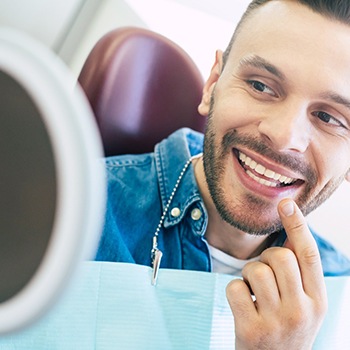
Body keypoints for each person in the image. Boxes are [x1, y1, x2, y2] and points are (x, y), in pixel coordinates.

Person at [95, 0, 350, 348]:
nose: (283, 135)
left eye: (329, 118)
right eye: (261, 86)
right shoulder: (71, 208)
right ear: (213, 83)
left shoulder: (340, 291)